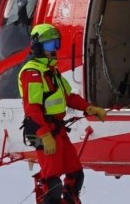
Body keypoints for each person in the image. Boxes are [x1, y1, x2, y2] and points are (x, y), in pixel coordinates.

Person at [19, 23, 109, 204]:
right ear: (38, 47)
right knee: (52, 182)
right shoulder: (33, 73)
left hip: (58, 130)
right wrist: (44, 136)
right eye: (51, 46)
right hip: (44, 131)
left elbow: (68, 96)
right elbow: (32, 109)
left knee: (76, 174)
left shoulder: (51, 71)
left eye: (57, 44)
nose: (55, 50)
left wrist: (89, 108)